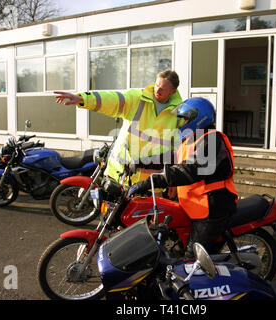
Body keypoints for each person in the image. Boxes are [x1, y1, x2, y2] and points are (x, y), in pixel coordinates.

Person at [128, 97, 239, 258]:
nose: (181, 123)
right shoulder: (193, 139)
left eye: (185, 119)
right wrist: (139, 163)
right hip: (195, 205)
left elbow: (191, 169)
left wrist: (155, 180)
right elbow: (171, 159)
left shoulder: (213, 139)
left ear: (197, 118)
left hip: (214, 207)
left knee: (191, 257)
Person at [54, 70, 183, 184]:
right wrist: (83, 99)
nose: (157, 90)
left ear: (173, 91)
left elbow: (177, 147)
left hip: (153, 181)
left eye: (163, 89)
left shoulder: (178, 112)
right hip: (123, 174)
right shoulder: (138, 98)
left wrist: (173, 179)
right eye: (156, 85)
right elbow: (113, 99)